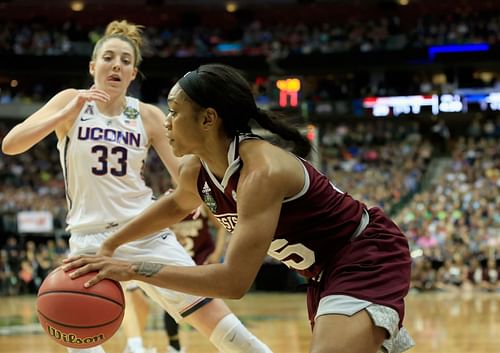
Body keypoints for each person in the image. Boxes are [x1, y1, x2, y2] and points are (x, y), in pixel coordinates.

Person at [62, 63, 416, 353]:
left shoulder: (261, 173)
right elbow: (175, 206)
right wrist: (109, 246)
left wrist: (132, 268)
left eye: (174, 111)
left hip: (365, 253)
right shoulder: (196, 168)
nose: (166, 122)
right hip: (324, 272)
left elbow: (233, 282)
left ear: (207, 119)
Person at [1, 22, 273, 353]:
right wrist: (64, 114)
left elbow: (184, 177)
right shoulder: (71, 101)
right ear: (93, 67)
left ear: (133, 74)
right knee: (80, 334)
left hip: (144, 231)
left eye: (126, 61)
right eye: (108, 58)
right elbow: (11, 144)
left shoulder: (147, 115)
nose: (117, 64)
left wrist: (225, 203)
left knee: (217, 319)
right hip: (89, 238)